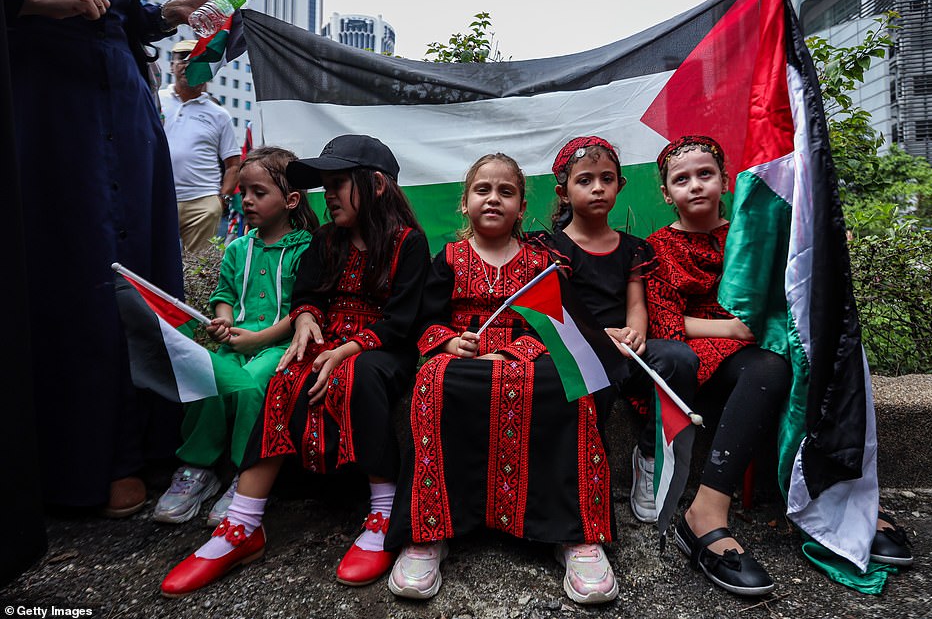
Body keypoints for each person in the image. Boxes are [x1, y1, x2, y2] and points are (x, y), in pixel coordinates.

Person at [160, 134, 430, 597]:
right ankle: (243, 525)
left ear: (378, 185)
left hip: (381, 347)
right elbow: (309, 294)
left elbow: (404, 320)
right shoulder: (326, 240)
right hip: (329, 337)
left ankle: (384, 512)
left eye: (339, 183)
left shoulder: (409, 244)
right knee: (285, 375)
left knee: (359, 375)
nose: (329, 196)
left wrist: (348, 349)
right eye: (324, 186)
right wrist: (306, 318)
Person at [647, 135, 912, 597]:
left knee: (804, 359)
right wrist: (730, 331)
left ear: (726, 181)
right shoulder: (659, 248)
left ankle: (837, 493)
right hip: (702, 359)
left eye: (705, 174)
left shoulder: (753, 231)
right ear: (667, 193)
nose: (695, 186)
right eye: (681, 179)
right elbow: (664, 321)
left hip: (757, 353)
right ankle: (705, 511)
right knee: (769, 367)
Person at [2, 0, 224, 516]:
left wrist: (164, 13)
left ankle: (144, 445)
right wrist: (29, 0)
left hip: (121, 91)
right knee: (71, 262)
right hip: (44, 94)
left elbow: (121, 8)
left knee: (142, 266)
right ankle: (84, 459)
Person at [385, 153, 620, 605]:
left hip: (529, 355)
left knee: (571, 389)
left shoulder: (540, 261)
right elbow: (425, 320)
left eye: (506, 191)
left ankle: (574, 534)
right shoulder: (448, 258)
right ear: (465, 202)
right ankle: (428, 532)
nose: (493, 199)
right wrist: (449, 343)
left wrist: (514, 351)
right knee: (434, 382)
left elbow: (556, 324)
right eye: (483, 190)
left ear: (521, 205)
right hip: (465, 356)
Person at [153, 146, 319, 527]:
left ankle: (247, 477)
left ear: (291, 199)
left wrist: (257, 341)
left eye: (259, 193)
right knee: (206, 375)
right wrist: (225, 323)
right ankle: (198, 466)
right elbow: (224, 297)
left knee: (252, 386)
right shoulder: (238, 247)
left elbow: (302, 310)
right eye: (243, 192)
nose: (246, 200)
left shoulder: (306, 248)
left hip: (279, 345)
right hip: (236, 343)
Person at [532, 136, 683, 526]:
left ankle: (648, 458)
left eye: (606, 178)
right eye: (585, 180)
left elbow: (636, 302)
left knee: (678, 359)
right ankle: (583, 475)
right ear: (562, 192)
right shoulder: (553, 248)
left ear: (620, 185)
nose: (597, 188)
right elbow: (562, 309)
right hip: (584, 347)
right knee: (584, 378)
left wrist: (635, 334)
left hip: (628, 351)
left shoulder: (633, 248)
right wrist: (602, 338)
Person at [159, 38, 241, 253]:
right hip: (158, 197)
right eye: (182, 59)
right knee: (152, 263)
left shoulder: (219, 114)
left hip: (203, 203)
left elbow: (233, 164)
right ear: (172, 65)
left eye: (196, 60)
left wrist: (220, 200)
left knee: (198, 271)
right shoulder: (155, 100)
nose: (188, 64)